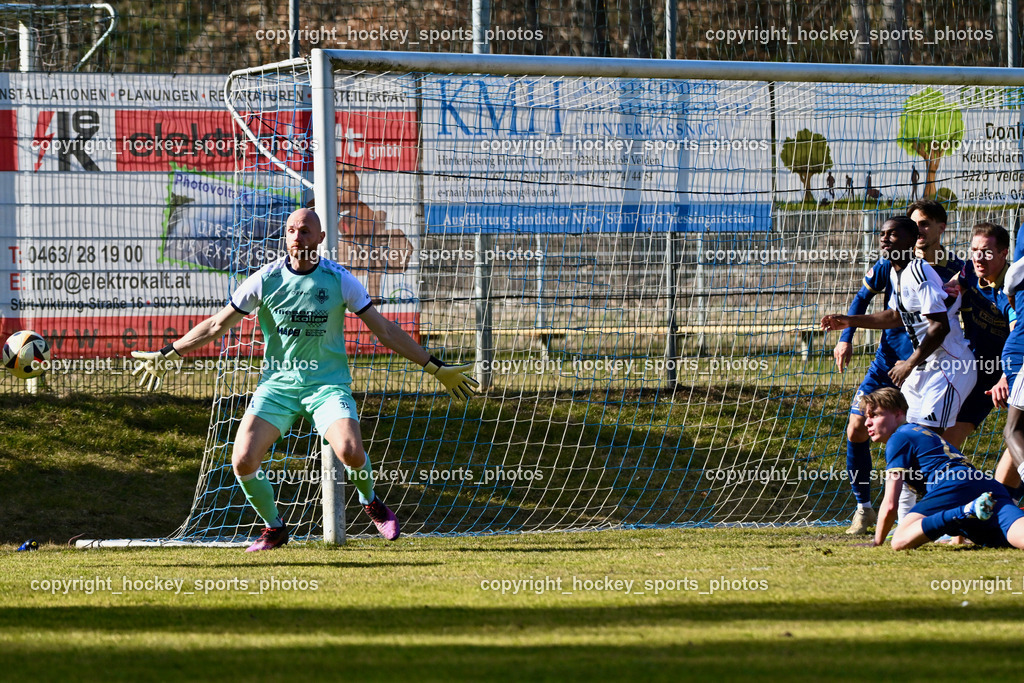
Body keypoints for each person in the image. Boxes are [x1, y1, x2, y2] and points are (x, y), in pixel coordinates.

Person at [130, 208, 477, 551]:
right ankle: (275, 528)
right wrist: (169, 352)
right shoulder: (264, 279)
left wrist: (433, 366)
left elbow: (384, 330)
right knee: (243, 461)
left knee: (351, 452)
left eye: (306, 230)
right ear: (285, 237)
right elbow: (216, 325)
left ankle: (371, 501)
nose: (298, 236)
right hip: (278, 387)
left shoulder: (339, 279)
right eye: (292, 230)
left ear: (321, 238)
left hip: (327, 387)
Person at [822, 215, 977, 523]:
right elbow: (895, 315)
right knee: (910, 441)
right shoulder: (897, 273)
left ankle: (966, 508)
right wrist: (850, 321)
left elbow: (940, 327)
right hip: (923, 368)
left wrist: (908, 363)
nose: (884, 239)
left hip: (947, 368)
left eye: (893, 235)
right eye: (882, 234)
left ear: (910, 241)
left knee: (930, 446)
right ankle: (905, 521)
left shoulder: (918, 272)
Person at [860, 388, 1024, 550]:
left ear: (898, 414)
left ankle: (967, 510)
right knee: (1011, 537)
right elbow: (966, 487)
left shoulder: (899, 437)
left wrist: (877, 542)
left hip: (952, 484)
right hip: (987, 486)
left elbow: (890, 504)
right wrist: (957, 540)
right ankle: (968, 510)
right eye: (867, 417)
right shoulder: (923, 433)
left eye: (875, 415)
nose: (867, 422)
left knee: (899, 540)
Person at [944, 223, 1014, 448]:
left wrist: (1006, 377)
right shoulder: (970, 271)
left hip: (1015, 370)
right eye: (974, 250)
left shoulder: (1013, 291)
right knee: (947, 438)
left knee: (1015, 436)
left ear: (1004, 253)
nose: (978, 257)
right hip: (978, 369)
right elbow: (955, 284)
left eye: (986, 252)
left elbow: (1020, 336)